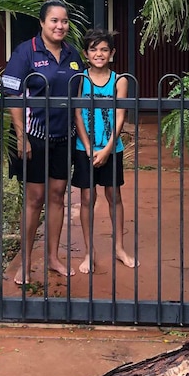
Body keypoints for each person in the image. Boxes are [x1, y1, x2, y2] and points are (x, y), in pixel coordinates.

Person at [1, 0, 84, 285]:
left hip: (63, 138)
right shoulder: (25, 52)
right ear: (42, 23)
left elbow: (79, 96)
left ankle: (52, 258)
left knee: (58, 197)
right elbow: (12, 95)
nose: (60, 26)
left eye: (64, 21)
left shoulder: (73, 55)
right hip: (33, 137)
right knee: (35, 198)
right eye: (54, 20)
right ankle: (25, 262)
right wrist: (21, 136)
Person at [72, 28, 137, 274]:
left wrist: (109, 147)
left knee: (114, 196)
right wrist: (89, 147)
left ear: (112, 53)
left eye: (104, 49)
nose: (99, 54)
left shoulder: (119, 80)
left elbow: (120, 115)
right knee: (87, 198)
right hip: (84, 148)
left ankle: (119, 247)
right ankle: (90, 252)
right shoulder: (80, 79)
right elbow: (77, 112)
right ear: (86, 53)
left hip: (112, 148)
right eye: (93, 49)